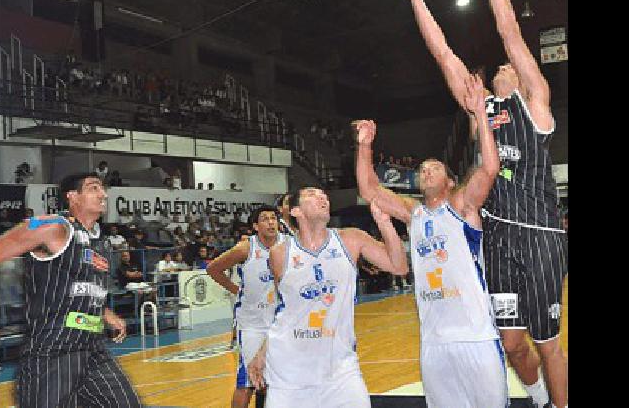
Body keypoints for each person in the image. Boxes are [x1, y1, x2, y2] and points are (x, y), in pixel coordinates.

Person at [383, 0, 567, 407]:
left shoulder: (536, 106)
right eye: (501, 69)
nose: (504, 67)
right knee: (511, 344)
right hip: (500, 237)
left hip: (541, 233)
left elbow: (509, 31)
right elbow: (441, 51)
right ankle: (542, 398)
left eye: (510, 67)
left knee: (548, 342)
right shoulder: (480, 109)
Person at [353, 73, 507, 407]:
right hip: (434, 343)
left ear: (451, 182)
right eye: (422, 170)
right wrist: (365, 145)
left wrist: (480, 113)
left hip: (475, 337)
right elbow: (369, 190)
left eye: (433, 169)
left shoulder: (463, 207)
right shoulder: (415, 214)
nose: (425, 172)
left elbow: (489, 169)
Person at [247, 187, 408, 407]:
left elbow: (399, 266)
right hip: (289, 371)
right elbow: (286, 310)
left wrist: (384, 223)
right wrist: (262, 352)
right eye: (312, 194)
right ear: (295, 211)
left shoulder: (351, 239)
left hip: (340, 369)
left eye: (323, 194)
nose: (322, 197)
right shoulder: (280, 253)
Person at [0, 173, 141, 408]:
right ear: (73, 197)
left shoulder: (101, 242)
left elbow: (81, 285)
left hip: (93, 347)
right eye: (94, 188)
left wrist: (104, 312)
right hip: (53, 350)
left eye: (103, 189)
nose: (103, 194)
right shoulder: (52, 225)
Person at [206, 205, 284, 408]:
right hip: (253, 323)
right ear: (256, 226)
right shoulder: (246, 248)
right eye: (265, 219)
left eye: (274, 218)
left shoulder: (289, 244)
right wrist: (235, 290)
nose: (270, 222)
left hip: (283, 322)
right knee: (247, 381)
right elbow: (213, 269)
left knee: (283, 378)